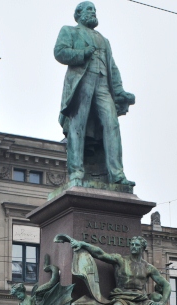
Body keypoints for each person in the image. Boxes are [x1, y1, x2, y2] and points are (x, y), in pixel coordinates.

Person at [54, 2, 136, 186]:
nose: (93, 12)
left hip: (102, 85)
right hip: (81, 81)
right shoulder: (70, 31)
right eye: (89, 9)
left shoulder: (104, 40)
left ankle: (117, 174)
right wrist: (82, 53)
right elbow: (59, 52)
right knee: (78, 125)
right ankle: (76, 173)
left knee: (112, 124)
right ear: (79, 14)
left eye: (94, 10)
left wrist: (120, 91)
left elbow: (112, 68)